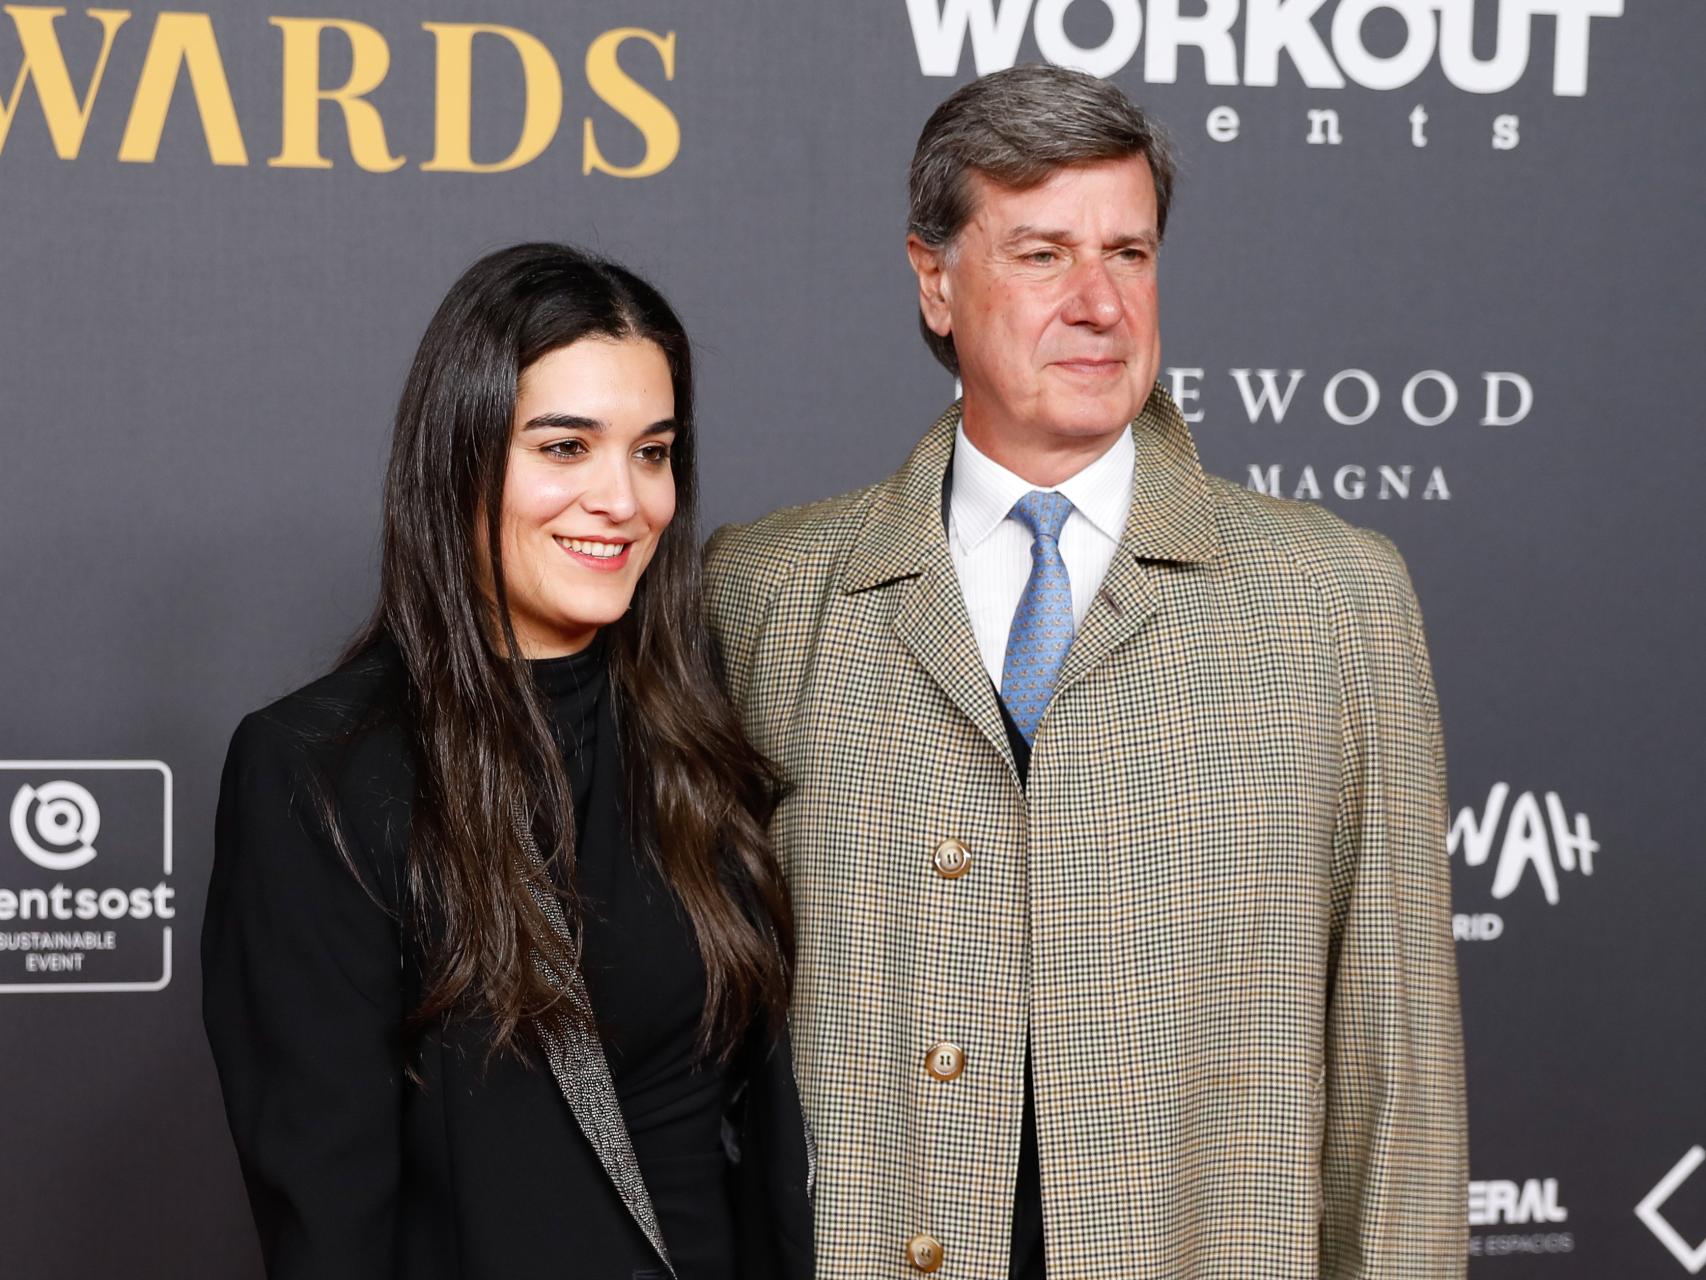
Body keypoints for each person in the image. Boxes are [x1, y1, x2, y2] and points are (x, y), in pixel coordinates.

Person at [704, 66, 1467, 1278]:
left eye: (1128, 251)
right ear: (933, 277)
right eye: (1043, 253)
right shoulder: (762, 590)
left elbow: (1396, 1072)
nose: (1099, 303)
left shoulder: (1334, 595)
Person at [203, 243, 812, 1280]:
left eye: (652, 451)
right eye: (565, 446)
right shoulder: (321, 771)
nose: (622, 499)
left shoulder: (704, 728)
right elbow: (329, 1214)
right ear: (460, 454)